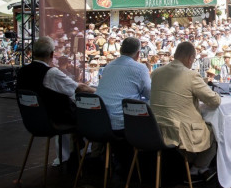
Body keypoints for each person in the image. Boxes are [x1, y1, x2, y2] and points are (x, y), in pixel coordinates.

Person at [16, 36, 95, 165]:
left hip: (32, 121)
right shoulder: (51, 73)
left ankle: (64, 156)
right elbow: (78, 88)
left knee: (62, 106)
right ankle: (87, 153)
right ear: (52, 54)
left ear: (34, 53)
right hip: (53, 121)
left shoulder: (22, 71)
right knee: (88, 112)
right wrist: (98, 91)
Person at [149, 41, 221, 175]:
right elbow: (214, 101)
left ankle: (192, 163)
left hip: (157, 129)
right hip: (182, 130)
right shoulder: (191, 75)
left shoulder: (156, 73)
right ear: (190, 58)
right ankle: (199, 168)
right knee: (216, 133)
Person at [96, 37, 151, 131]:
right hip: (122, 124)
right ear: (138, 54)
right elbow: (150, 94)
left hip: (98, 121)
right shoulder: (140, 68)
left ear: (121, 50)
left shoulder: (109, 66)